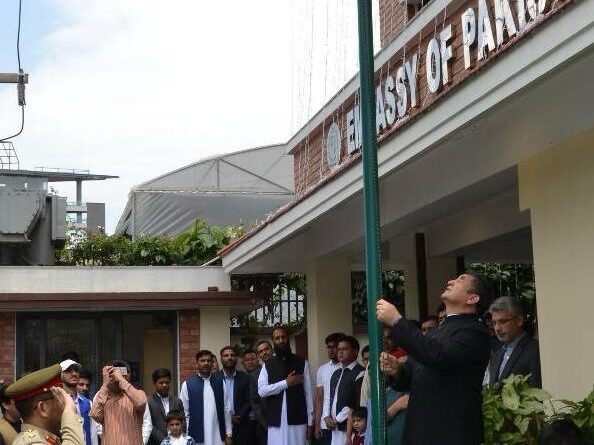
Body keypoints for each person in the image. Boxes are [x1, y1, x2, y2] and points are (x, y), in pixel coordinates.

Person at [376, 272, 493, 445]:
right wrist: (397, 371)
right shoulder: (437, 331)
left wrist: (397, 321)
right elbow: (412, 377)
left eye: (461, 280)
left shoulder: (475, 331)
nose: (451, 280)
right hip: (419, 432)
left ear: (472, 298)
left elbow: (440, 356)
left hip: (450, 433)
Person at [258, 326, 313, 445]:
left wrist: (310, 422)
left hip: (298, 420)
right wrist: (286, 383)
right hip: (276, 421)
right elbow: (262, 391)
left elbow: (309, 394)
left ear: (288, 338)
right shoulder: (268, 365)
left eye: (283, 337)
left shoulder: (302, 362)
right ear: (273, 341)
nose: (281, 340)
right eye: (277, 338)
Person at [5, 363, 85, 445]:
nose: (63, 404)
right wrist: (70, 411)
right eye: (59, 398)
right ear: (43, 408)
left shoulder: (43, 439)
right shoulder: (34, 443)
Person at [179, 350, 232, 445]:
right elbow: (184, 413)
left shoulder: (220, 382)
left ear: (212, 363)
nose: (206, 363)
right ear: (197, 363)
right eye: (202, 361)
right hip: (196, 436)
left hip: (218, 436)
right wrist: (186, 437)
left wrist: (229, 433)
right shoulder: (188, 385)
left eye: (209, 360)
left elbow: (226, 409)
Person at [90, 359, 148, 445]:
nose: (115, 377)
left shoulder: (137, 394)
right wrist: (105, 383)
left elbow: (141, 403)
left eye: (122, 373)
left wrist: (121, 380)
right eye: (112, 373)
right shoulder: (102, 396)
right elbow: (95, 415)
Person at [487, 296, 541, 387]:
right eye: (494, 323)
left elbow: (536, 389)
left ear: (519, 320)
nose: (497, 328)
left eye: (502, 322)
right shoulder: (496, 355)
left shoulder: (535, 350)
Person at [323, 336, 364, 445]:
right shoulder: (336, 373)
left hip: (349, 428)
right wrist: (326, 417)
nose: (340, 352)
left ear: (355, 352)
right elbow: (328, 397)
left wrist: (337, 420)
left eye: (345, 349)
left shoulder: (360, 373)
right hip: (334, 427)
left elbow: (353, 403)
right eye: (339, 349)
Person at [314, 332, 345, 445]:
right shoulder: (322, 370)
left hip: (342, 422)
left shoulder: (346, 368)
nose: (331, 350)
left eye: (334, 347)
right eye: (329, 347)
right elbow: (319, 398)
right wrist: (317, 424)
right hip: (325, 423)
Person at [60, 360, 99, 445]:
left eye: (76, 370)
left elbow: (92, 434)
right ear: (61, 375)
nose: (74, 374)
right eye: (68, 370)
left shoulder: (88, 403)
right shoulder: (56, 402)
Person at [217, 346, 251, 445]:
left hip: (241, 425)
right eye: (226, 355)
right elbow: (213, 403)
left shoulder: (244, 377)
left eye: (232, 355)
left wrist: (239, 416)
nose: (229, 358)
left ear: (236, 358)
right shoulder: (214, 378)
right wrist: (228, 418)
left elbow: (249, 400)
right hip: (220, 426)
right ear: (221, 359)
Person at [148, 368, 185, 445]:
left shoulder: (177, 401)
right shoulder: (149, 402)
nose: (164, 385)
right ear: (154, 383)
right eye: (161, 383)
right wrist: (165, 441)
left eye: (167, 382)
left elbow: (183, 422)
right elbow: (149, 425)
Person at [250, 341, 273, 445]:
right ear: (258, 355)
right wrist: (264, 423)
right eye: (261, 351)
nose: (264, 352)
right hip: (264, 425)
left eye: (266, 349)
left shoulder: (283, 368)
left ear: (272, 350)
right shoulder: (254, 375)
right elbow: (254, 402)